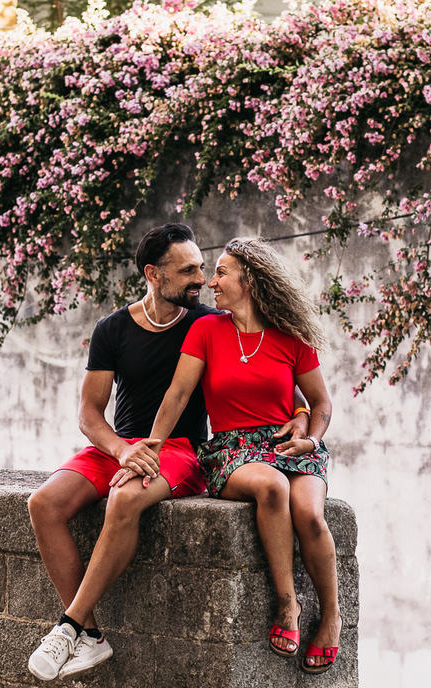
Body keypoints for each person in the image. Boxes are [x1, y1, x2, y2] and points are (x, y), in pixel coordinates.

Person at [26, 224, 310, 681]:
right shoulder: (112, 329)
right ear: (153, 275)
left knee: (126, 499)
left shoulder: (210, 323)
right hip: (124, 445)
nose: (202, 279)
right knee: (43, 503)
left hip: (181, 450)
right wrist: (122, 450)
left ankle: (68, 626)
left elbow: (272, 366)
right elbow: (88, 413)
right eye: (189, 271)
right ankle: (93, 638)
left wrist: (299, 409)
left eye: (203, 267)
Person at [126, 236, 341, 675]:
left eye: (222, 272)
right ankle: (288, 605)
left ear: (251, 280)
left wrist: (310, 437)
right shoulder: (206, 330)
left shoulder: (291, 337)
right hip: (231, 448)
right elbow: (178, 393)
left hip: (290, 446)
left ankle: (332, 618)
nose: (210, 282)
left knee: (311, 514)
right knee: (271, 485)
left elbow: (320, 403)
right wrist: (153, 446)